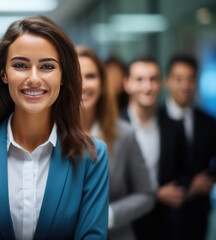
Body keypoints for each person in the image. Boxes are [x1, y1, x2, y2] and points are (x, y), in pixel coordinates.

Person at [0, 16, 109, 240]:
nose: (33, 78)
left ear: (63, 76)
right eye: (20, 65)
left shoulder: (91, 156)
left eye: (47, 66)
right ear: (3, 74)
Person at [77, 46, 155, 240]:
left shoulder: (124, 133)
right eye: (75, 76)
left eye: (91, 76)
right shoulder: (48, 134)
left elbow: (146, 194)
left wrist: (108, 216)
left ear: (103, 83)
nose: (83, 85)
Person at [121, 56, 187, 240]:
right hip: (124, 224)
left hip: (165, 224)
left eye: (153, 79)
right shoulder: (113, 127)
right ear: (127, 84)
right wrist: (155, 194)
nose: (147, 87)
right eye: (140, 80)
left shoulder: (175, 126)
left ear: (161, 83)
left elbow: (183, 171)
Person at [163, 54, 216, 240]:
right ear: (167, 81)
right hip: (161, 216)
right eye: (178, 79)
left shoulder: (208, 122)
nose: (185, 85)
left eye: (190, 79)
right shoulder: (155, 120)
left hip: (198, 214)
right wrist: (189, 188)